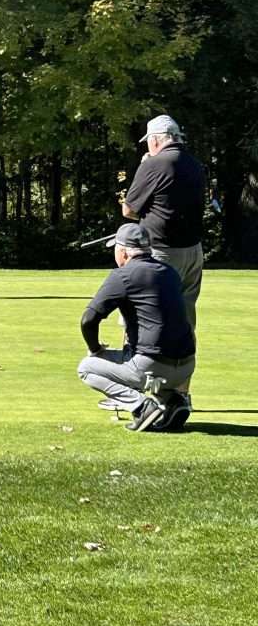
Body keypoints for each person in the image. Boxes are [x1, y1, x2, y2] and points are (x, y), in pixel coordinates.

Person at [77, 223, 195, 432]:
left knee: (86, 368)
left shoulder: (123, 275)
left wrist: (95, 349)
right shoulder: (169, 272)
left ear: (123, 252)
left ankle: (142, 407)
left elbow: (88, 319)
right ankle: (174, 402)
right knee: (143, 354)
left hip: (151, 366)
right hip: (186, 367)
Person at [122, 114, 205, 333]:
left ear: (156, 139)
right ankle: (185, 354)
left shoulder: (154, 164)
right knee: (185, 314)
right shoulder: (194, 164)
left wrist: (145, 167)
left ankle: (141, 354)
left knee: (148, 312)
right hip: (193, 251)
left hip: (161, 251)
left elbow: (128, 210)